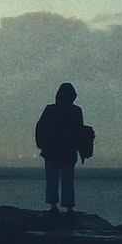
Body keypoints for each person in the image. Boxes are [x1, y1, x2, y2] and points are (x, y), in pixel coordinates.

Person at [34, 83, 86, 214]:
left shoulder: (50, 109)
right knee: (68, 180)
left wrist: (41, 144)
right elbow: (80, 132)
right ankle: (69, 207)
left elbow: (40, 127)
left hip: (51, 151)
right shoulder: (76, 111)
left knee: (52, 179)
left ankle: (53, 206)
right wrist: (82, 151)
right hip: (69, 151)